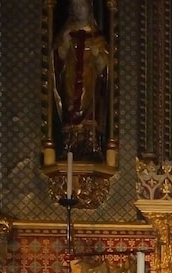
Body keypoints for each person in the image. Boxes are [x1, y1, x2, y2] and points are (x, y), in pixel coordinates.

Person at [52, 0, 110, 156]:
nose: (79, 11)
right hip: (70, 81)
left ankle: (91, 143)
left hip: (89, 83)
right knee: (70, 104)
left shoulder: (97, 37)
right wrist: (64, 45)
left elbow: (106, 69)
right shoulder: (66, 34)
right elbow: (55, 63)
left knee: (91, 106)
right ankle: (69, 141)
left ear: (89, 9)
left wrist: (98, 55)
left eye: (82, 7)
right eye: (75, 7)